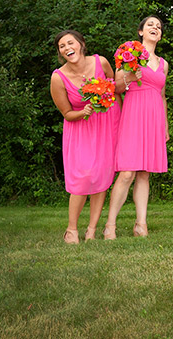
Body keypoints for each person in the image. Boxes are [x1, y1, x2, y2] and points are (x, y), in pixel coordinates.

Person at [50, 30, 121, 244]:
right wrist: (84, 111)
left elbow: (115, 89)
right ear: (60, 53)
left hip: (107, 124)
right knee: (83, 177)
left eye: (70, 43)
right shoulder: (58, 77)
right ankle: (71, 229)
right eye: (62, 46)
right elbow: (67, 114)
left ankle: (91, 229)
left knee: (101, 176)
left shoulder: (101, 62)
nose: (67, 48)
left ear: (81, 44)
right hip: (80, 127)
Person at [104, 16, 168, 240]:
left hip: (154, 118)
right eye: (150, 25)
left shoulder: (163, 63)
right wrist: (130, 77)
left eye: (158, 27)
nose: (155, 28)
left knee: (144, 173)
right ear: (141, 31)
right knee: (127, 172)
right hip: (133, 115)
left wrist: (165, 126)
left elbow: (162, 95)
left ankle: (141, 224)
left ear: (160, 35)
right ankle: (110, 224)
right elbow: (116, 88)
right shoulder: (128, 54)